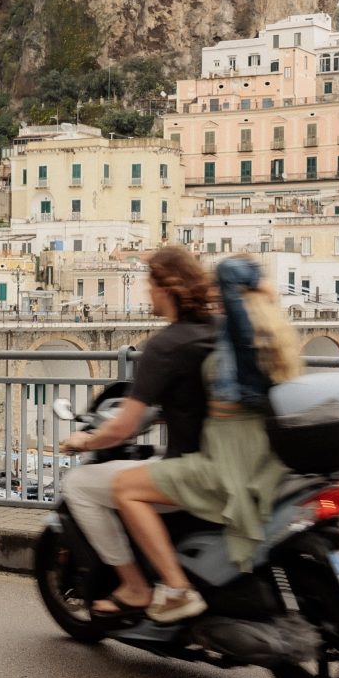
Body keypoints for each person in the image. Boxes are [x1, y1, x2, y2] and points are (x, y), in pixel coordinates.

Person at [112, 255, 301, 624]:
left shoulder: (238, 345)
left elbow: (230, 279)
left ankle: (176, 590)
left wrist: (253, 282)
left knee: (124, 488)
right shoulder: (274, 343)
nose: (213, 295)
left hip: (225, 464)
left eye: (221, 292)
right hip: (258, 459)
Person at [60, 246, 215, 618]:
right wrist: (167, 415)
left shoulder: (165, 346)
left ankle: (136, 586)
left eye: (149, 283)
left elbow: (123, 427)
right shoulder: (218, 332)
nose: (147, 292)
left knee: (81, 485)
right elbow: (200, 399)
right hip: (231, 464)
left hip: (196, 472)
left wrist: (84, 439)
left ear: (167, 288)